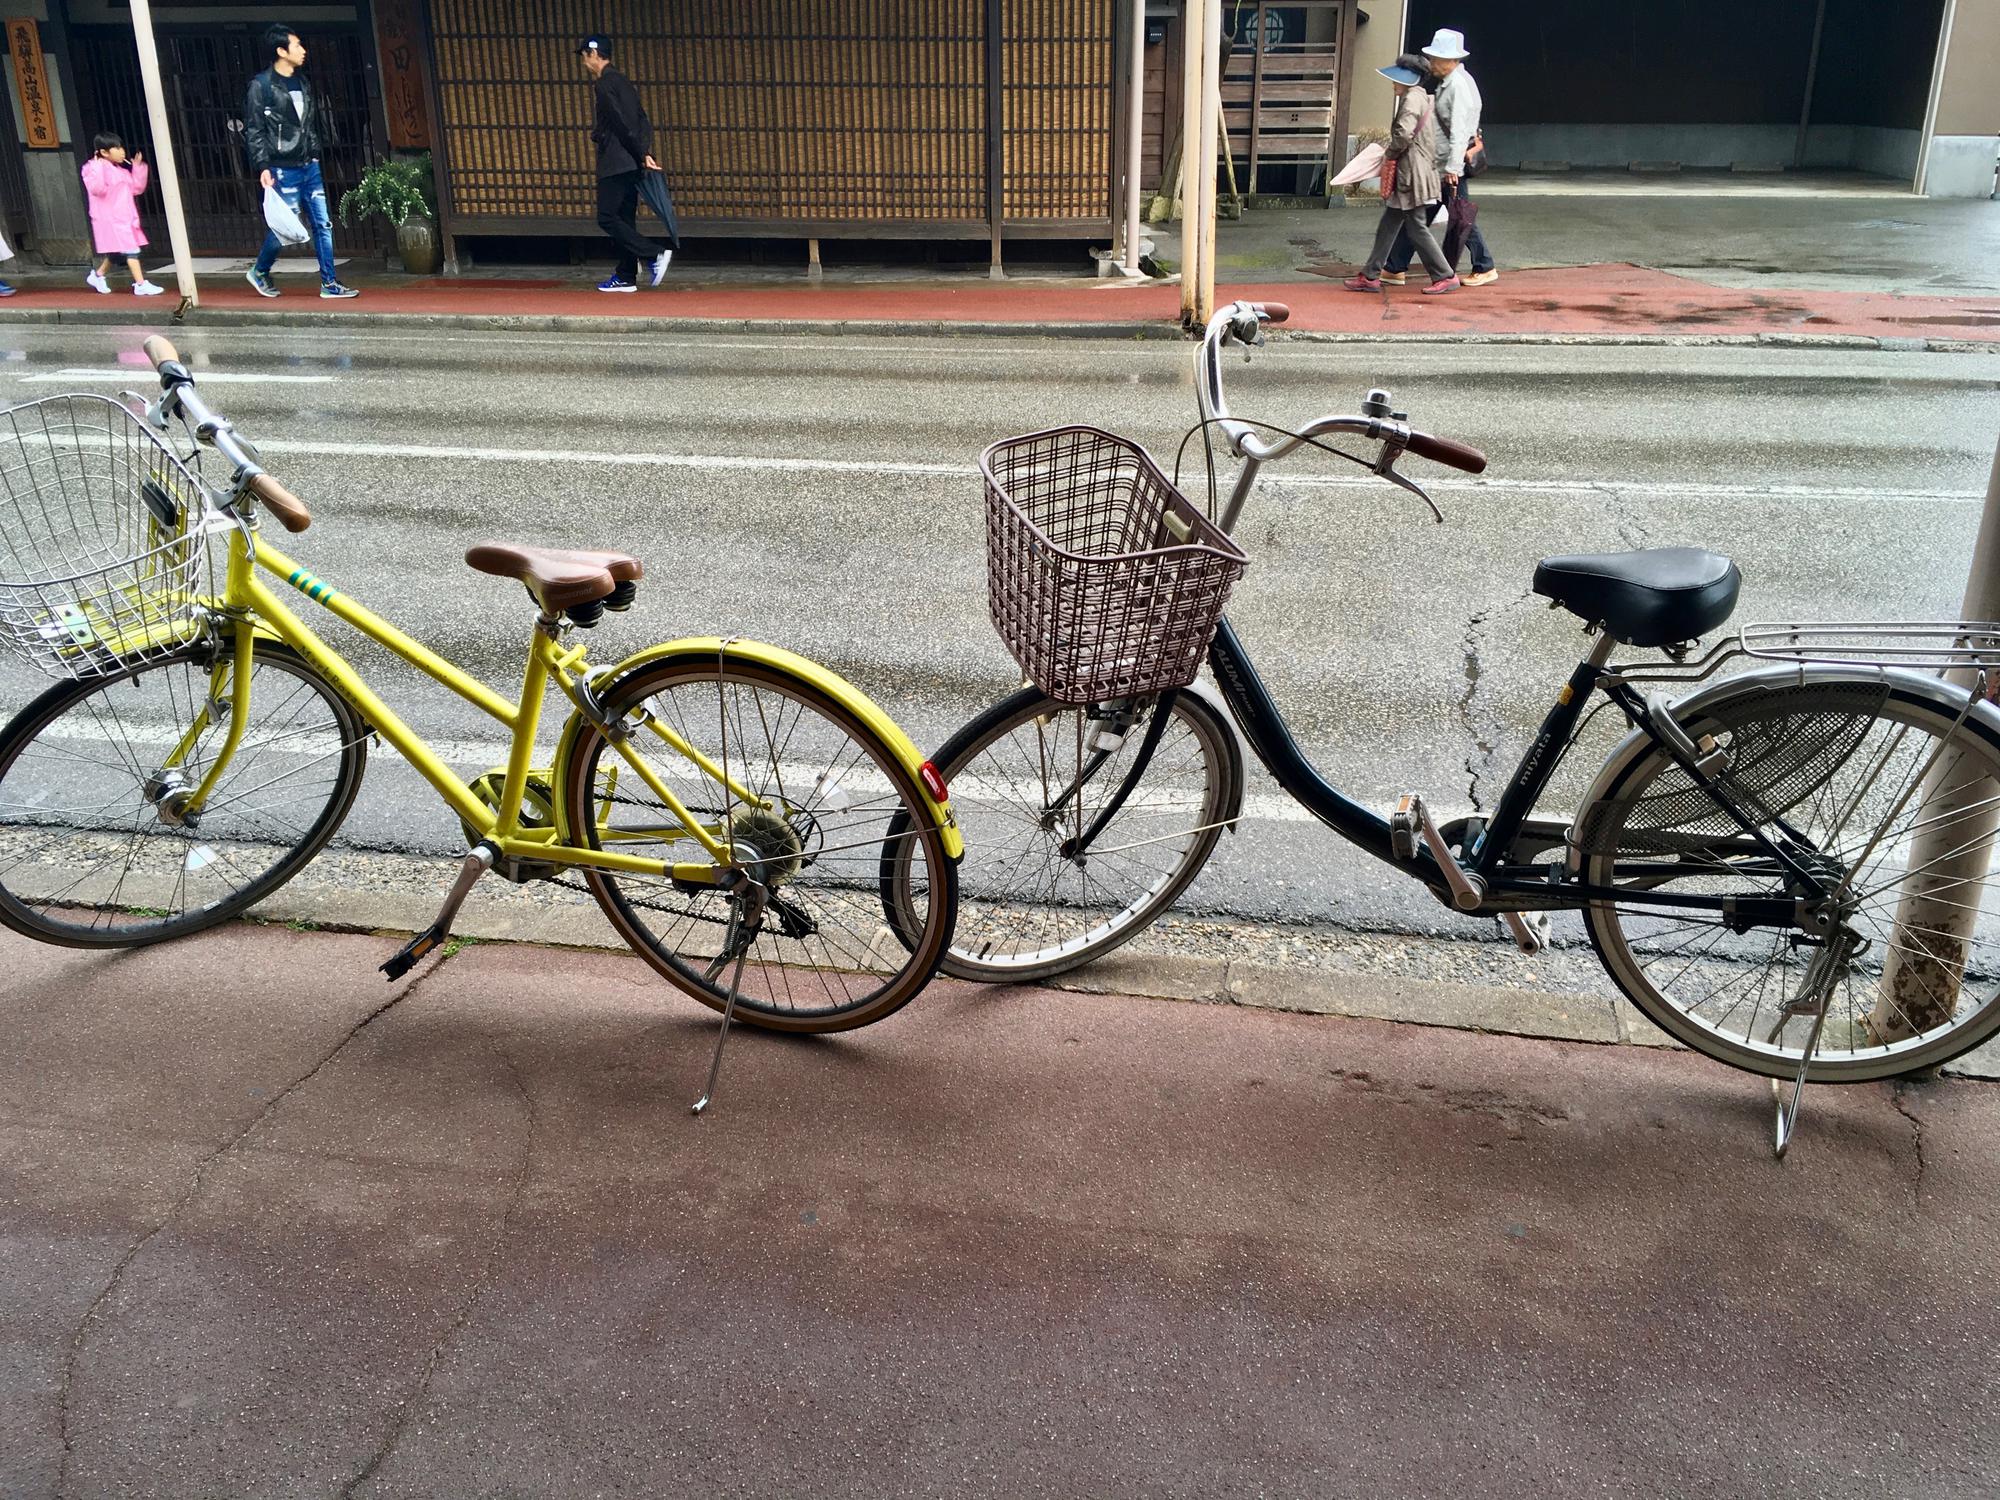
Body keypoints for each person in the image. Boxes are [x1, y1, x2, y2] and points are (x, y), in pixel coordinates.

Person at [243, 22, 358, 299]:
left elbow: (309, 124)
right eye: (297, 45)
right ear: (281, 51)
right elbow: (254, 129)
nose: (303, 50)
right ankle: (260, 269)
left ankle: (329, 283)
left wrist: (316, 152)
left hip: (310, 164)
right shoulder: (262, 86)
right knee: (286, 225)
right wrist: (263, 166)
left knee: (323, 223)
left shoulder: (303, 82)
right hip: (283, 167)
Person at [1381, 28, 1497, 287]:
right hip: (1445, 162)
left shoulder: (1457, 86)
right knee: (1429, 212)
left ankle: (1484, 265)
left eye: (1436, 59)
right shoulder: (1455, 82)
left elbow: (1458, 132)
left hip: (1449, 164)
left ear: (1452, 61)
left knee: (1456, 215)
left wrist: (1452, 169)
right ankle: (1394, 266)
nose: (1431, 63)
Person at [1344, 57, 1457, 295]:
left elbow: (1404, 134)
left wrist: (1389, 154)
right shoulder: (1418, 97)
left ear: (1408, 79)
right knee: (1389, 224)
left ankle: (1445, 275)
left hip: (1411, 175)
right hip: (1413, 173)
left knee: (1416, 227)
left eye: (1396, 79)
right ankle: (1371, 275)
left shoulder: (1412, 99)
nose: (1393, 83)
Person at [578, 35, 670, 293]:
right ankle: (626, 275)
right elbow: (641, 120)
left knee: (606, 217)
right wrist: (643, 153)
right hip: (631, 160)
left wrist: (640, 154)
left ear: (593, 54)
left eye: (584, 55)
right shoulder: (624, 83)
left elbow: (620, 122)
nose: (584, 61)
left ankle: (654, 255)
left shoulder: (605, 84)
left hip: (616, 162)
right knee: (624, 219)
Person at [80, 134, 165, 296]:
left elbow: (137, 188)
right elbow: (97, 189)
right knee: (131, 249)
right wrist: (97, 166)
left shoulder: (119, 171)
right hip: (110, 218)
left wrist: (137, 168)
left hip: (124, 217)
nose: (122, 152)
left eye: (121, 147)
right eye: (117, 148)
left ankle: (98, 275)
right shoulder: (93, 169)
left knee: (117, 251)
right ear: (104, 152)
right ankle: (140, 284)